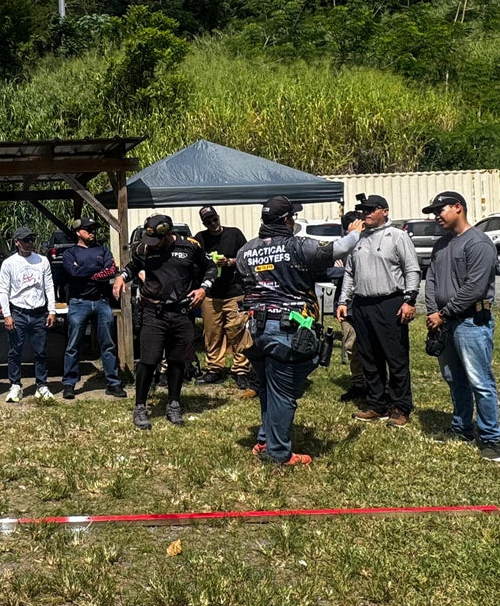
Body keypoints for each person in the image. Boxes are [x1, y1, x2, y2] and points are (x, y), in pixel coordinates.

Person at [235, 197, 362, 465]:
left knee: (269, 387)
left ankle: (263, 439)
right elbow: (339, 249)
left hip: (254, 328)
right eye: (292, 217)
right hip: (287, 327)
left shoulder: (245, 250)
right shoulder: (297, 246)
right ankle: (279, 454)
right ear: (286, 220)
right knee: (284, 391)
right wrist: (356, 233)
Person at [112, 214, 215, 429]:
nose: (152, 245)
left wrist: (203, 288)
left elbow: (211, 267)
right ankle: (140, 406)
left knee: (178, 360)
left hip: (180, 312)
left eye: (157, 240)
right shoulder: (144, 248)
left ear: (168, 234)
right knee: (149, 361)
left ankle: (174, 403)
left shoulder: (189, 247)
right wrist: (122, 276)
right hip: (153, 313)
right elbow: (133, 266)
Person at [422, 191, 500, 462]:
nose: (436, 216)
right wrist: (433, 310)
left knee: (480, 382)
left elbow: (474, 287)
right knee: (454, 379)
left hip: (471, 322)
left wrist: (442, 314)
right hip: (444, 322)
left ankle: (491, 439)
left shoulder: (479, 243)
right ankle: (462, 428)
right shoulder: (442, 244)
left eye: (440, 210)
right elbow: (431, 278)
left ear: (458, 208)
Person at [337, 194, 421, 427]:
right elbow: (349, 274)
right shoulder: (358, 239)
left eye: (371, 209)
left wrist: (410, 299)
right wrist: (343, 301)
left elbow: (412, 269)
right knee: (369, 357)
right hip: (362, 304)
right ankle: (376, 403)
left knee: (395, 357)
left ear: (384, 211)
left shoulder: (397, 236)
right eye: (364, 210)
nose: (367, 213)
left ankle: (400, 406)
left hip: (390, 302)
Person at [60, 217, 124, 400]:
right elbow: (73, 273)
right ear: (78, 232)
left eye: (93, 229)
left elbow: (111, 270)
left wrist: (85, 271)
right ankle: (69, 384)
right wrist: (96, 271)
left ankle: (113, 382)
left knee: (108, 344)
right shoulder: (70, 253)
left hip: (102, 301)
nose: (92, 232)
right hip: (78, 302)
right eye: (88, 229)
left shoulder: (103, 249)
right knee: (73, 345)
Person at [194, 206, 254, 398]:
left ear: (218, 218)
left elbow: (245, 258)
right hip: (211, 294)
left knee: (238, 331)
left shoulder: (234, 234)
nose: (212, 224)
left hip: (234, 291)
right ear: (204, 223)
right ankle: (214, 369)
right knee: (212, 333)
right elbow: (195, 261)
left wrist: (229, 262)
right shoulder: (200, 238)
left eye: (214, 219)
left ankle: (241, 370)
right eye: (208, 222)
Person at [0, 226, 56, 402]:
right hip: (18, 312)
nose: (30, 243)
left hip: (39, 312)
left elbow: (49, 286)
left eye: (31, 239)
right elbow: (3, 291)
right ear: (17, 242)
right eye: (25, 240)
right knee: (15, 351)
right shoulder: (9, 263)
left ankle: (42, 385)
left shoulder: (42, 261)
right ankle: (15, 384)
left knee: (40, 351)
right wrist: (7, 315)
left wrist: (52, 310)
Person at [332, 210, 367, 403]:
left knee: (370, 345)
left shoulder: (370, 243)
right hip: (346, 305)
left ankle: (376, 383)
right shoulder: (342, 247)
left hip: (367, 302)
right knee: (351, 345)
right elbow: (332, 271)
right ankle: (358, 384)